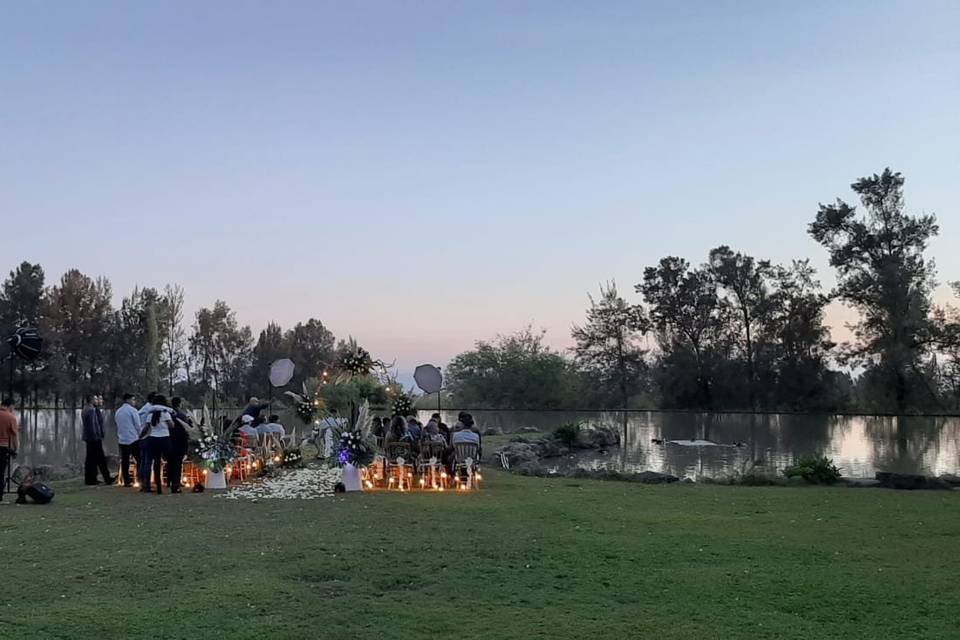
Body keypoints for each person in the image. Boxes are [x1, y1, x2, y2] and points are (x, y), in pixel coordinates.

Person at [140, 394, 173, 494]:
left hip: (153, 439)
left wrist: (140, 436)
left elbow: (146, 427)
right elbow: (171, 425)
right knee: (169, 460)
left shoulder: (150, 415)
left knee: (156, 462)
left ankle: (158, 485)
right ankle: (169, 482)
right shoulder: (165, 413)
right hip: (164, 439)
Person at [82, 394, 114, 485]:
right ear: (91, 400)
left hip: (89, 438)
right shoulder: (91, 410)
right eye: (95, 399)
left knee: (90, 459)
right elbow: (93, 425)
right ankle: (106, 478)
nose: (97, 401)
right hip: (94, 439)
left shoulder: (85, 409)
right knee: (100, 459)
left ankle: (90, 479)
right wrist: (97, 436)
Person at [114, 393, 142, 487]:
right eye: (133, 399)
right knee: (139, 459)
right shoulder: (133, 410)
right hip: (133, 438)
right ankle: (140, 478)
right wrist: (140, 434)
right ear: (128, 400)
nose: (134, 401)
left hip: (122, 439)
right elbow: (138, 425)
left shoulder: (118, 411)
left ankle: (126, 481)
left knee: (125, 461)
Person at [168, 397, 192, 493]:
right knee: (177, 463)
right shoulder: (182, 415)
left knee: (170, 462)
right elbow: (186, 429)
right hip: (179, 441)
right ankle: (176, 484)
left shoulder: (168, 414)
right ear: (180, 404)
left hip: (169, 440)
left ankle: (169, 481)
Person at [0, 397, 19, 503]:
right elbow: (15, 435)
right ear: (10, 405)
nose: (13, 409)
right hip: (3, 448)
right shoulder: (11, 417)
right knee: (1, 472)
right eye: (13, 407)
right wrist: (16, 449)